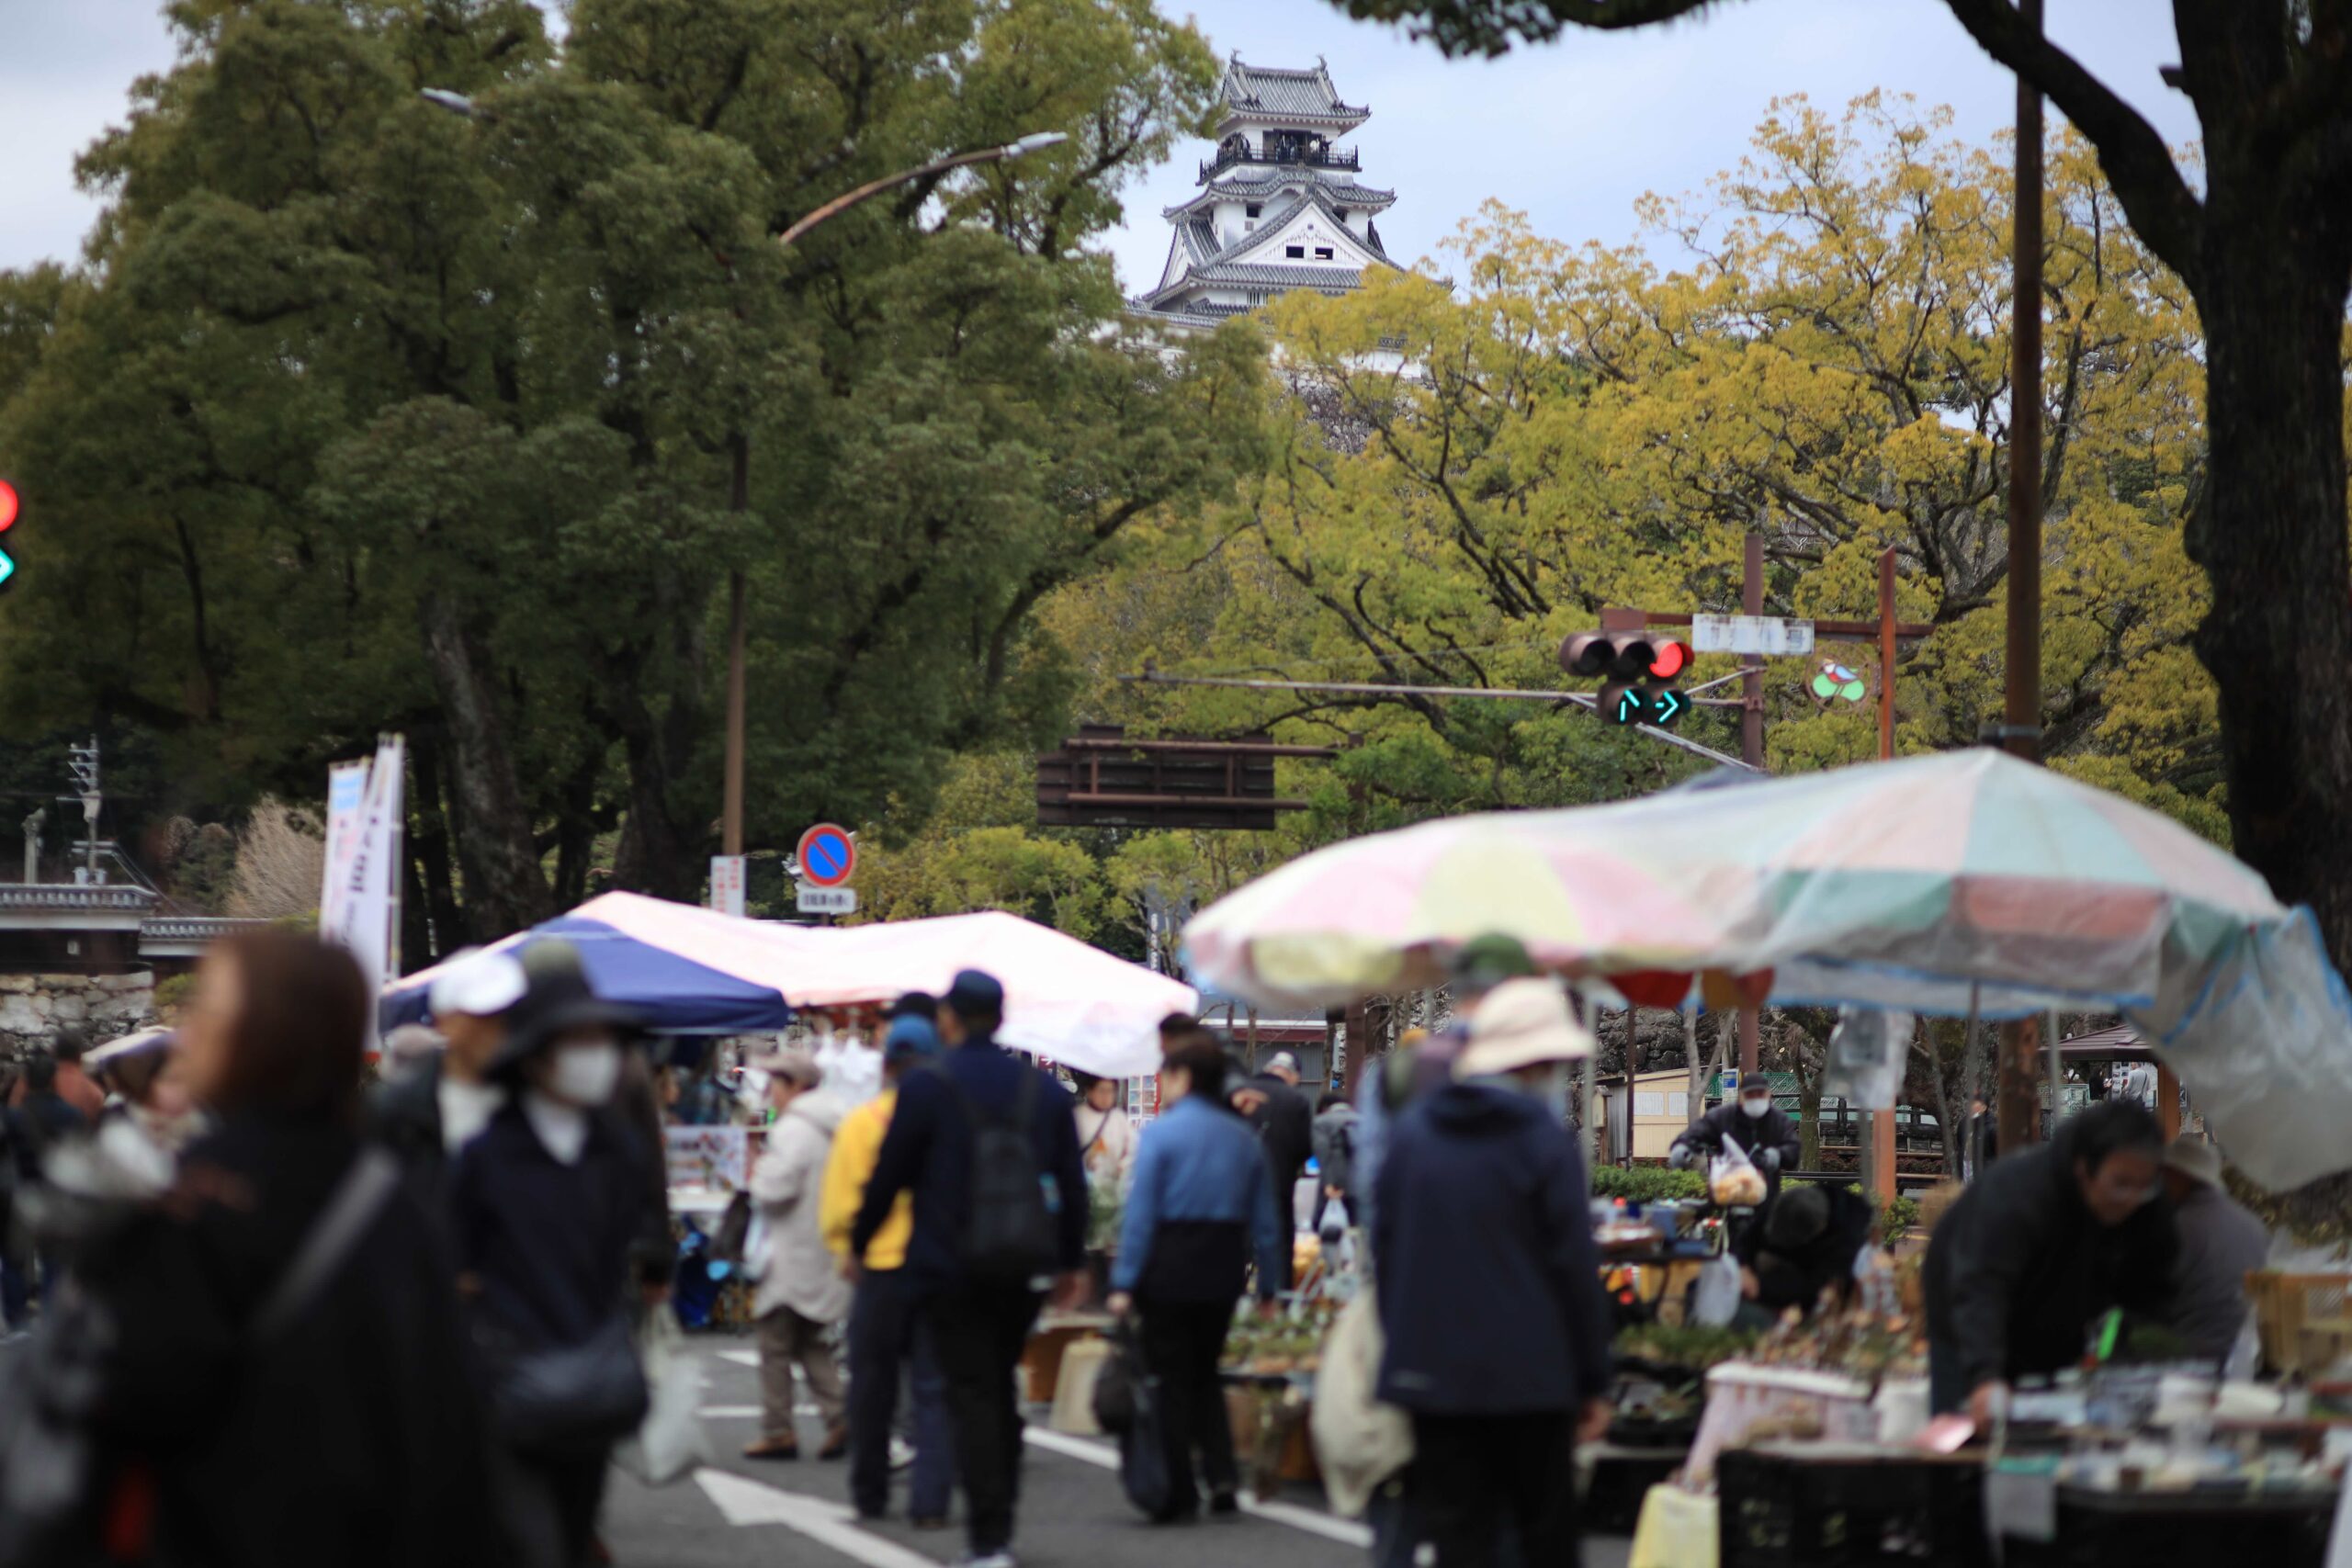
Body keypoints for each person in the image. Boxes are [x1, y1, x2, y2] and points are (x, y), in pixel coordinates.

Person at [34, 929, 502, 1565]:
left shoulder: (198, 1195)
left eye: (211, 1010)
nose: (189, 1031)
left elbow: (133, 1398)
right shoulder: (389, 1196)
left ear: (265, 1037)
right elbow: (443, 1419)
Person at [850, 968, 1089, 1568]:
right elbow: (1072, 1186)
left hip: (946, 1267)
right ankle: (998, 1521)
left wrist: (858, 1240)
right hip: (1022, 1266)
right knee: (999, 1382)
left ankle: (989, 1540)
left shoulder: (927, 1087)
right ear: (1002, 1019)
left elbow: (890, 1175)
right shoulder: (1046, 1093)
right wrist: (1070, 1260)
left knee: (972, 1391)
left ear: (949, 1020)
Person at [1374, 977, 1613, 1568]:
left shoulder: (1413, 1135)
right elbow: (1574, 1270)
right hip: (1533, 1379)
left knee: (1460, 1538)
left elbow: (1387, 1252)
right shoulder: (1542, 1141)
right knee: (1543, 1538)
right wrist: (1593, 1379)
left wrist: (1405, 1349)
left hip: (1433, 1378)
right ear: (1538, 1063)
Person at [449, 945, 659, 1568]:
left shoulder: (616, 1150)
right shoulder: (488, 1156)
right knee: (527, 1539)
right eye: (578, 1038)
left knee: (574, 1525)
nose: (593, 1055)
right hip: (511, 1380)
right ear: (537, 1051)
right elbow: (458, 1266)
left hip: (592, 1379)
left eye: (602, 1037)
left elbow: (628, 1240)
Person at [1108, 1039, 1286, 1521]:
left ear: (1184, 1077)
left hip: (1170, 1261)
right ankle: (1223, 1474)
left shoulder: (1163, 1136)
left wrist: (1124, 1282)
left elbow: (1141, 1216)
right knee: (1207, 1370)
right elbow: (1266, 1222)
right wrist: (1269, 1286)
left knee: (1169, 1377)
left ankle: (1178, 1488)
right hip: (1224, 1263)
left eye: (1166, 1075)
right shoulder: (1242, 1138)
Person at [1923, 1100, 2177, 1421]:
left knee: (2060, 1419)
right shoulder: (2018, 1196)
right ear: (2084, 1170)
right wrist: (1985, 1377)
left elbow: (2156, 1290)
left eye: (2143, 1186)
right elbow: (1981, 1289)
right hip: (1964, 1307)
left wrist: (2148, 1357)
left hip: (2061, 1318)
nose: (2131, 1199)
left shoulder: (2147, 1200)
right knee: (1972, 1429)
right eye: (2120, 1185)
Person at [821, 1007, 955, 1528]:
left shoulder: (860, 1125)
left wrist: (845, 1248)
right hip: (935, 1265)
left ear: (887, 1063)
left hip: (877, 1269)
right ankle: (930, 1500)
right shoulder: (950, 1120)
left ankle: (871, 1492)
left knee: (872, 1385)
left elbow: (837, 1206)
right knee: (931, 1386)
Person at [743, 1046, 852, 1461]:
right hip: (824, 1248)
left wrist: (758, 1174)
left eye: (775, 1083)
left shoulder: (795, 1129)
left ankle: (778, 1430)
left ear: (794, 1085)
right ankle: (840, 1418)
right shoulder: (836, 1122)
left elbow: (776, 1189)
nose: (770, 1092)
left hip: (791, 1252)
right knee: (811, 1341)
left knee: (774, 1343)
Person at [371, 948, 529, 1219]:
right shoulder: (393, 1113)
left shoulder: (537, 1101)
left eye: (504, 1015)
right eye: (479, 1016)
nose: (493, 1029)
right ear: (444, 1020)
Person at [2156, 1137, 2268, 1368]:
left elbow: (2147, 1299)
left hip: (2190, 1358)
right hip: (2248, 1355)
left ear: (2178, 1176)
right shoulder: (2254, 1225)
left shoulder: (2175, 1227)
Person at [1733, 1181, 1874, 1322]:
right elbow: (1747, 1238)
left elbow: (1817, 1291)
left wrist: (1760, 1288)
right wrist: (1743, 1265)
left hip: (1815, 1303)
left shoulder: (1847, 1240)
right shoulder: (1792, 1204)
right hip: (1765, 1280)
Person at [1242, 1050, 1314, 1287]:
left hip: (1238, 1186)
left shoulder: (1243, 1093)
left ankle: (1238, 1297)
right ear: (1293, 1076)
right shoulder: (1297, 1101)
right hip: (1279, 1185)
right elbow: (1306, 1147)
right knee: (1278, 1244)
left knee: (1239, 1242)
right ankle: (1275, 1301)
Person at [1668, 1076, 1802, 1201]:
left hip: (1766, 1194)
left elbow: (1793, 1149)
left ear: (1768, 1095)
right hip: (1727, 1192)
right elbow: (1699, 1130)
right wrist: (1683, 1146)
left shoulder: (1779, 1120)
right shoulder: (1724, 1116)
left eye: (1760, 1094)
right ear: (1741, 1096)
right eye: (1750, 1095)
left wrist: (1777, 1155)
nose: (1755, 1099)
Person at [1071, 1070, 1136, 1190]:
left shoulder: (1120, 1118)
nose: (1107, 1096)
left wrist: (1122, 1166)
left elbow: (1134, 1148)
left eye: (1111, 1091)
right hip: (1084, 1186)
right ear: (1090, 1091)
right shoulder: (1077, 1116)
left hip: (1114, 1187)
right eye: (1102, 1091)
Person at [1312, 1090, 1359, 1230]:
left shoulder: (1321, 1122)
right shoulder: (1364, 1120)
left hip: (1333, 1182)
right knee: (1357, 1225)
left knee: (1324, 1227)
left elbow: (1322, 1151)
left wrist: (1328, 1182)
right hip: (1359, 1183)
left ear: (1325, 1107)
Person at [1960, 1096, 1997, 1180]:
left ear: (1984, 1107)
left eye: (1974, 1103)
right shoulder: (1963, 1124)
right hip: (1965, 1172)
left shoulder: (1992, 1127)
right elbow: (1960, 1143)